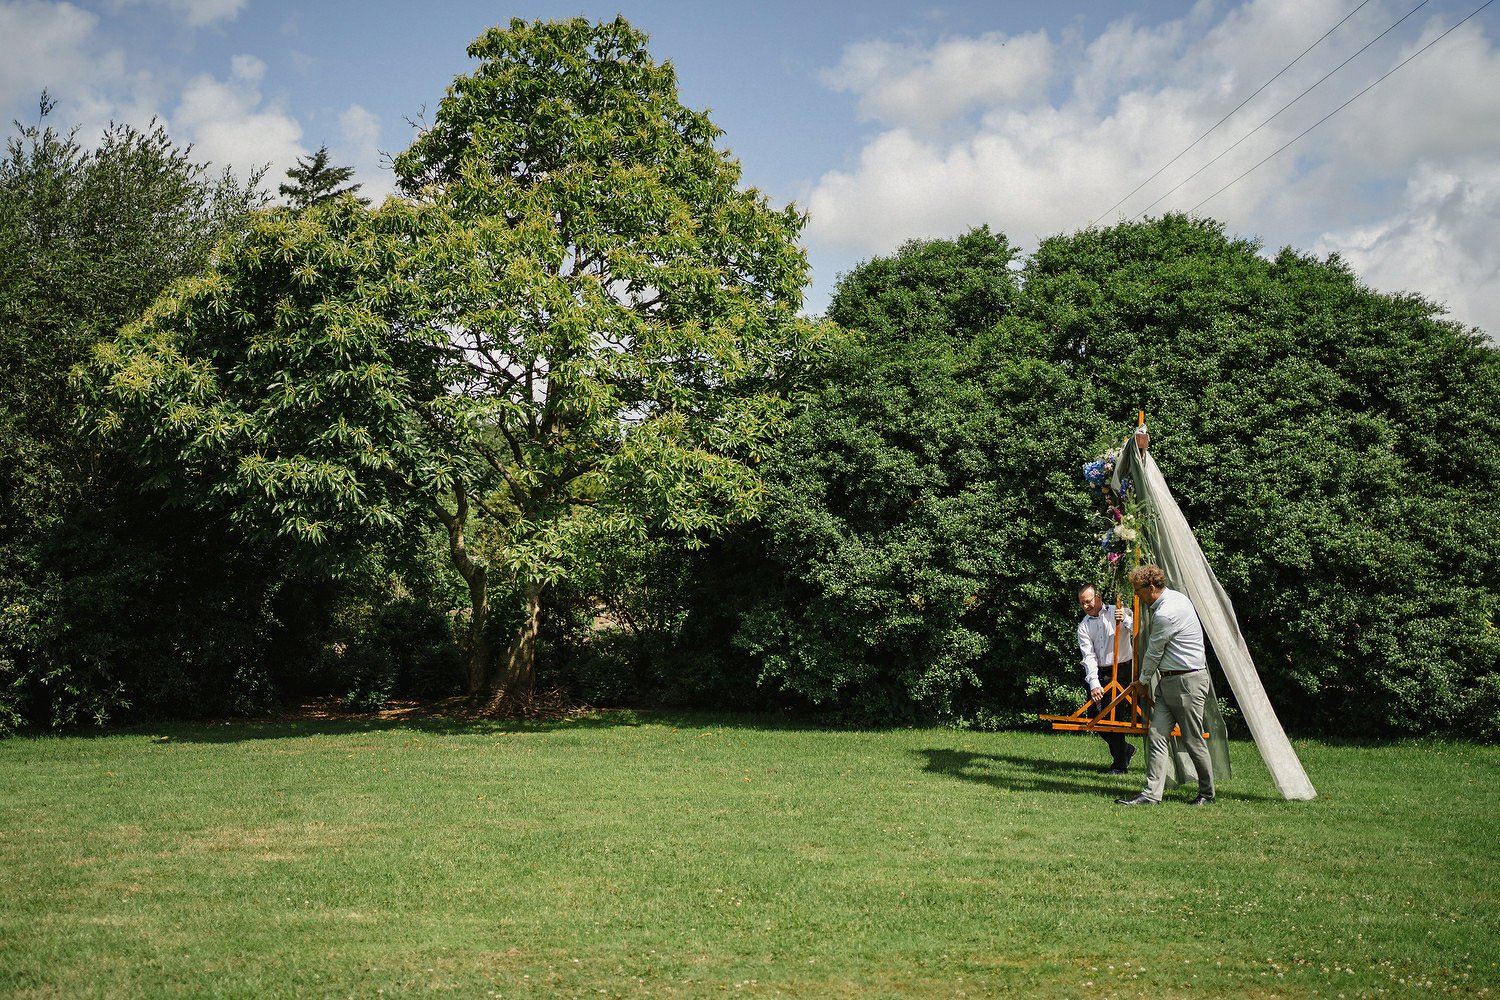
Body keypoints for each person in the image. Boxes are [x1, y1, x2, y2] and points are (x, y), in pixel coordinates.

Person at [1115, 564, 1216, 806]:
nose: (1136, 596)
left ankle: (1207, 794)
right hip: (1170, 681)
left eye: (1138, 591)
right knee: (1157, 734)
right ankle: (1151, 794)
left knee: (1192, 739)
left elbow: (1153, 652)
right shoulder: (1176, 598)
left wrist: (1142, 682)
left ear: (1151, 587)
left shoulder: (1166, 613)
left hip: (1187, 682)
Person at [1075, 584, 1136, 773]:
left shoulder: (1118, 611)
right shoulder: (1084, 626)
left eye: (1088, 601)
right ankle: (1125, 749)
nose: (1086, 606)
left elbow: (1139, 631)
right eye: (1082, 603)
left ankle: (1119, 765)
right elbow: (1089, 656)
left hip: (1123, 669)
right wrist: (1094, 683)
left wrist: (1125, 618)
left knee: (1114, 717)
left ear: (1098, 597)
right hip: (1101, 673)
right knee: (1094, 717)